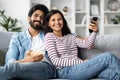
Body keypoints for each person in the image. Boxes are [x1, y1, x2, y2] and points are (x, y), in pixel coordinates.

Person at [44, 9, 120, 80]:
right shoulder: (49, 36)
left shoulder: (71, 36)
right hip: (65, 71)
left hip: (79, 68)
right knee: (108, 57)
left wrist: (94, 32)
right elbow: (55, 61)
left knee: (113, 73)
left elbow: (87, 44)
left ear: (63, 21)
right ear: (48, 24)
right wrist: (81, 62)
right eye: (53, 20)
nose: (57, 22)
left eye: (59, 19)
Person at [0, 4, 56, 80]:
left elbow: (65, 34)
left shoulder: (48, 35)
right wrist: (25, 60)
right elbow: (9, 60)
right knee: (13, 74)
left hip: (45, 68)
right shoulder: (17, 37)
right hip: (22, 68)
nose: (39, 19)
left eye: (42, 17)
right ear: (29, 18)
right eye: (36, 15)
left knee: (13, 69)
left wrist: (76, 36)